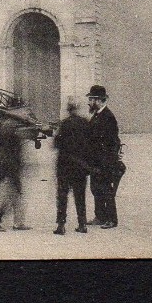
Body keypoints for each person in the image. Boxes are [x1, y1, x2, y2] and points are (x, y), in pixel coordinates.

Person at [87, 85, 125, 229]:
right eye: (90, 99)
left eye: (92, 99)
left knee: (106, 190)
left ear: (101, 100)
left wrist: (109, 161)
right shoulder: (97, 115)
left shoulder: (108, 117)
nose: (90, 102)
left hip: (105, 161)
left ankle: (111, 219)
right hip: (96, 161)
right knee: (95, 188)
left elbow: (113, 142)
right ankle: (100, 216)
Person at [53, 100, 91, 234]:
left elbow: (56, 143)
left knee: (62, 196)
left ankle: (61, 226)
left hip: (65, 166)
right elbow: (91, 144)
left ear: (69, 110)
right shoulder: (85, 123)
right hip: (80, 166)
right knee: (80, 196)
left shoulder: (64, 124)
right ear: (77, 109)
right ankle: (82, 224)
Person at [0, 117, 30, 232]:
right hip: (8, 170)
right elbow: (14, 156)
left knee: (16, 196)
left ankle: (18, 223)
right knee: (5, 197)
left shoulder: (2, 135)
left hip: (6, 168)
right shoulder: (12, 137)